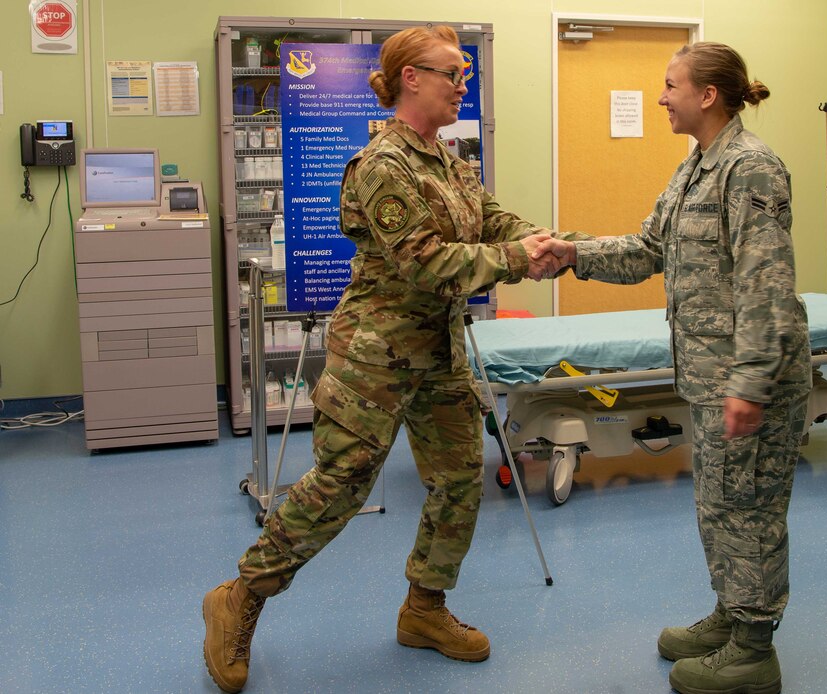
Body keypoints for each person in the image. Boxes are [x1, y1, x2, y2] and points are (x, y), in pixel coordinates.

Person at [202, 25, 568, 693]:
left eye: (464, 73)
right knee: (341, 486)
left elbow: (490, 219)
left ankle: (424, 609)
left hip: (438, 353)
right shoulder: (383, 165)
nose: (463, 84)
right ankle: (241, 595)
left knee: (459, 481)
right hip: (376, 354)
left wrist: (537, 239)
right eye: (451, 73)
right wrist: (522, 261)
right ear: (411, 79)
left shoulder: (451, 161)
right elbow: (430, 264)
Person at [534, 42, 811, 694]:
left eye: (669, 84)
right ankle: (729, 616)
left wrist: (749, 384)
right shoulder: (697, 169)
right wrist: (572, 253)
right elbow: (645, 250)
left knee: (749, 510)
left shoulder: (750, 169)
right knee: (719, 505)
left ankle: (753, 651)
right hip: (713, 376)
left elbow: (767, 286)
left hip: (750, 381)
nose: (661, 96)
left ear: (707, 94)